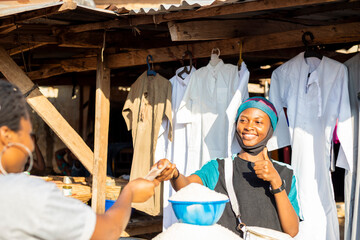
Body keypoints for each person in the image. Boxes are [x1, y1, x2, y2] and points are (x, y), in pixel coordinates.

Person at [0, 80, 158, 239]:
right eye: (28, 134)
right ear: (6, 135)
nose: (31, 146)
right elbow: (107, 231)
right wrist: (129, 193)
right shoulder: (25, 193)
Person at [154, 97, 301, 237]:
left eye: (258, 122)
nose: (249, 126)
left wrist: (276, 182)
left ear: (271, 129)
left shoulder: (285, 173)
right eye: (243, 120)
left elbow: (292, 230)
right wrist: (175, 174)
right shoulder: (219, 167)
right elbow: (186, 186)